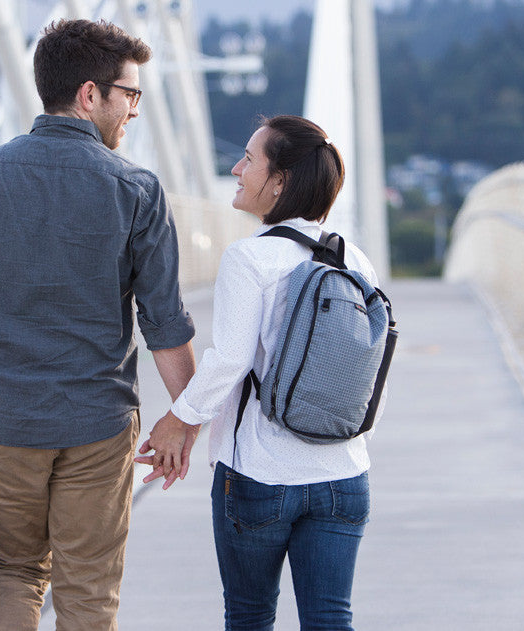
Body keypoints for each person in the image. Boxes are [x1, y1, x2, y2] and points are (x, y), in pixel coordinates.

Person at [0, 19, 196, 631]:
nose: (135, 111)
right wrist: (184, 418)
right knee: (88, 587)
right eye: (130, 95)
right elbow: (164, 321)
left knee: (11, 571)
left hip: (3, 420)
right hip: (98, 422)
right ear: (91, 94)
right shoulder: (136, 189)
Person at [137, 115, 381, 630]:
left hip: (260, 477)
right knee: (331, 619)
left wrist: (178, 421)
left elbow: (230, 360)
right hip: (344, 474)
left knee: (249, 616)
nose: (235, 168)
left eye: (249, 160)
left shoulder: (250, 258)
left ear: (280, 182)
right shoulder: (355, 260)